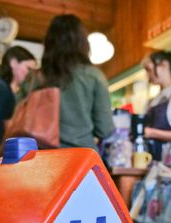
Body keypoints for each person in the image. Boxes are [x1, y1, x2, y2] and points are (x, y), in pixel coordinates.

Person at [41, 14, 115, 150]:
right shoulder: (93, 76)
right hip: (82, 157)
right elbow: (105, 129)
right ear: (82, 42)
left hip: (44, 158)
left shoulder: (38, 78)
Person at [0, 46, 36, 173]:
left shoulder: (9, 91)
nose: (30, 74)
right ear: (13, 63)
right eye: (28, 68)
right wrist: (2, 156)